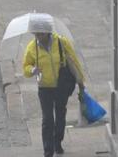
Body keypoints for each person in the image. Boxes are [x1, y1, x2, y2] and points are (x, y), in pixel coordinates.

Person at [22, 19, 86, 157]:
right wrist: (33, 70)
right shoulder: (32, 48)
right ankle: (48, 150)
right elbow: (25, 68)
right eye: (36, 34)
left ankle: (58, 141)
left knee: (60, 114)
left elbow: (73, 61)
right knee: (47, 119)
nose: (38, 37)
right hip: (44, 88)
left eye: (41, 34)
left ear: (48, 32)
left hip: (61, 86)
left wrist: (81, 82)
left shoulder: (61, 43)